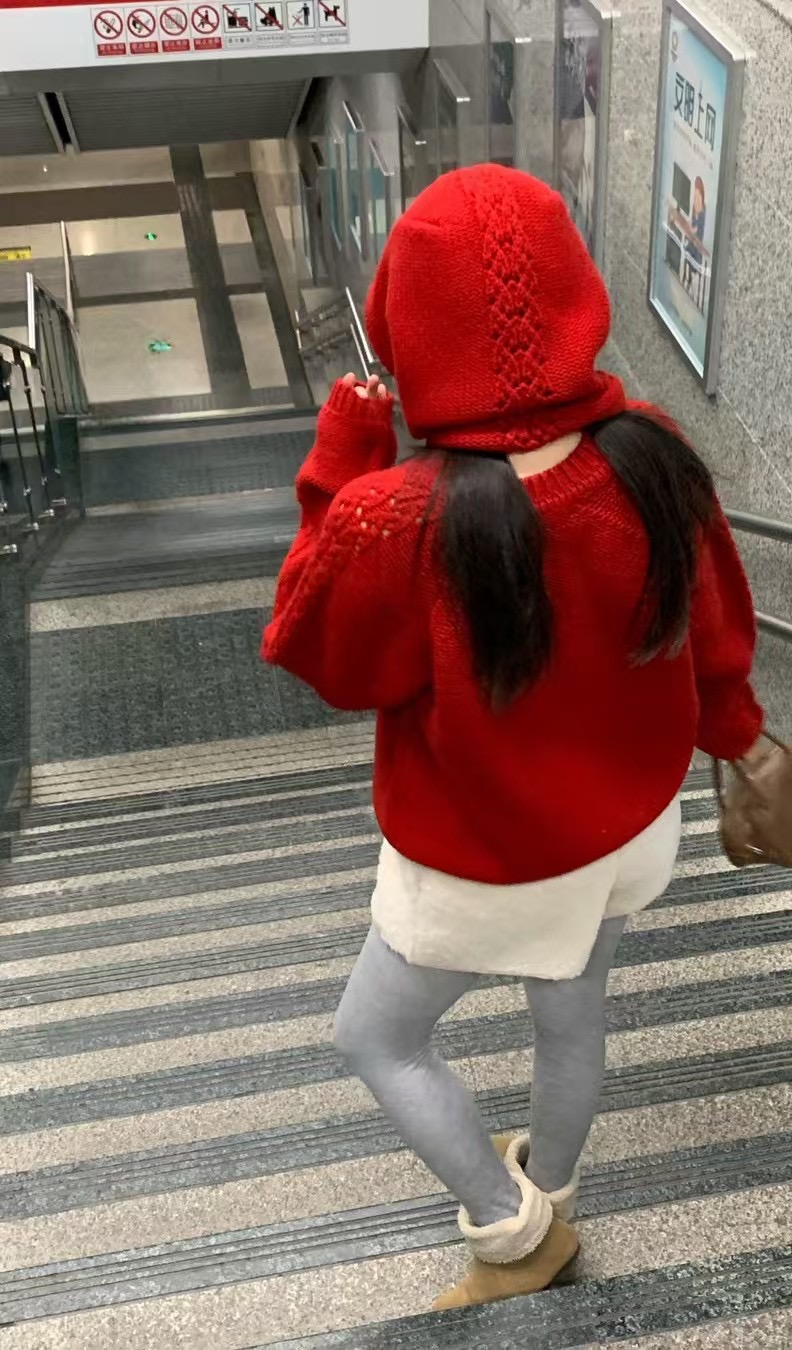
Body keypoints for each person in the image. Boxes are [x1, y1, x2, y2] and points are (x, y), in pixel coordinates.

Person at [263, 165, 764, 1311]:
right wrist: (737, 735)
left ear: (410, 325)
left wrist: (342, 461)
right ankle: (559, 1183)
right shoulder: (648, 452)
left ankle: (514, 1230)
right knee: (572, 1012)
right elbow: (717, 632)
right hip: (629, 834)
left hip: (488, 863)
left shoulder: (401, 517)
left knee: (375, 1039)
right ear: (574, 293)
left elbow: (314, 646)